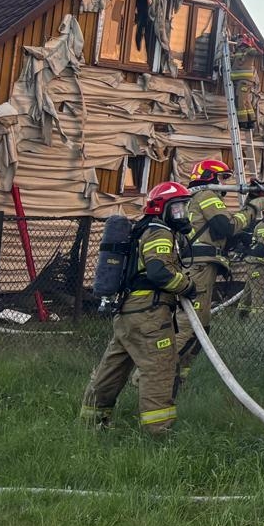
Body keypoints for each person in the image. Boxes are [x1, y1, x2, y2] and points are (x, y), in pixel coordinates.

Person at [80, 182, 196, 436]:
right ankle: (158, 431)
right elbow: (159, 272)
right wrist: (186, 285)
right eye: (177, 208)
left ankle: (91, 421)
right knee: (159, 368)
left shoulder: (143, 230)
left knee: (113, 368)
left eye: (183, 209)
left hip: (128, 313)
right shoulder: (160, 232)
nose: (182, 214)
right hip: (149, 315)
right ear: (162, 208)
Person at [175, 158, 253, 394]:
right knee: (190, 327)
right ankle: (152, 374)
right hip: (198, 269)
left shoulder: (192, 198)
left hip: (199, 267)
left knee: (202, 329)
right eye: (224, 178)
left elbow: (221, 233)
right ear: (210, 177)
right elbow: (226, 226)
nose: (226, 184)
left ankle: (178, 380)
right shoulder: (206, 195)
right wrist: (252, 208)